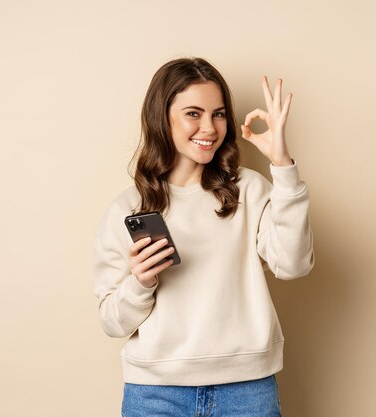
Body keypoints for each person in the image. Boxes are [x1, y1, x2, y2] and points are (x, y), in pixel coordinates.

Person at [93, 57, 314, 417]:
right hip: (155, 395)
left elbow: (293, 265)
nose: (209, 128)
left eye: (219, 114)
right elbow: (112, 322)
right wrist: (141, 281)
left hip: (248, 391)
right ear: (161, 118)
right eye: (193, 113)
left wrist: (283, 165)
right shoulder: (127, 209)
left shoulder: (249, 189)